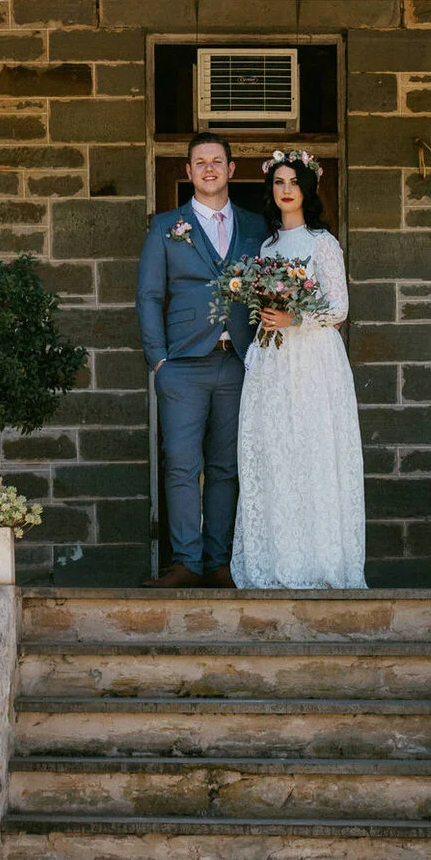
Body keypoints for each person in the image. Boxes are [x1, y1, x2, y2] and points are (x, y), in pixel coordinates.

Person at [135, 132, 268, 588]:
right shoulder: (165, 227)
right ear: (188, 172)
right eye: (199, 162)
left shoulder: (255, 227)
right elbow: (150, 296)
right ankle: (186, 563)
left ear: (232, 170)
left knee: (227, 466)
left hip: (239, 362)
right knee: (181, 464)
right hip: (183, 365)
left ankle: (219, 562)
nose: (209, 169)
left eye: (217, 161)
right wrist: (158, 361)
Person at [230, 150, 366, 589]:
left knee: (313, 451)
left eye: (293, 182)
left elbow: (340, 307)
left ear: (307, 190)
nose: (285, 189)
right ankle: (276, 561)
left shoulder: (322, 243)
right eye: (278, 182)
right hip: (273, 359)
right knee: (276, 452)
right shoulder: (267, 247)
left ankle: (320, 564)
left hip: (312, 360)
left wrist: (294, 319)